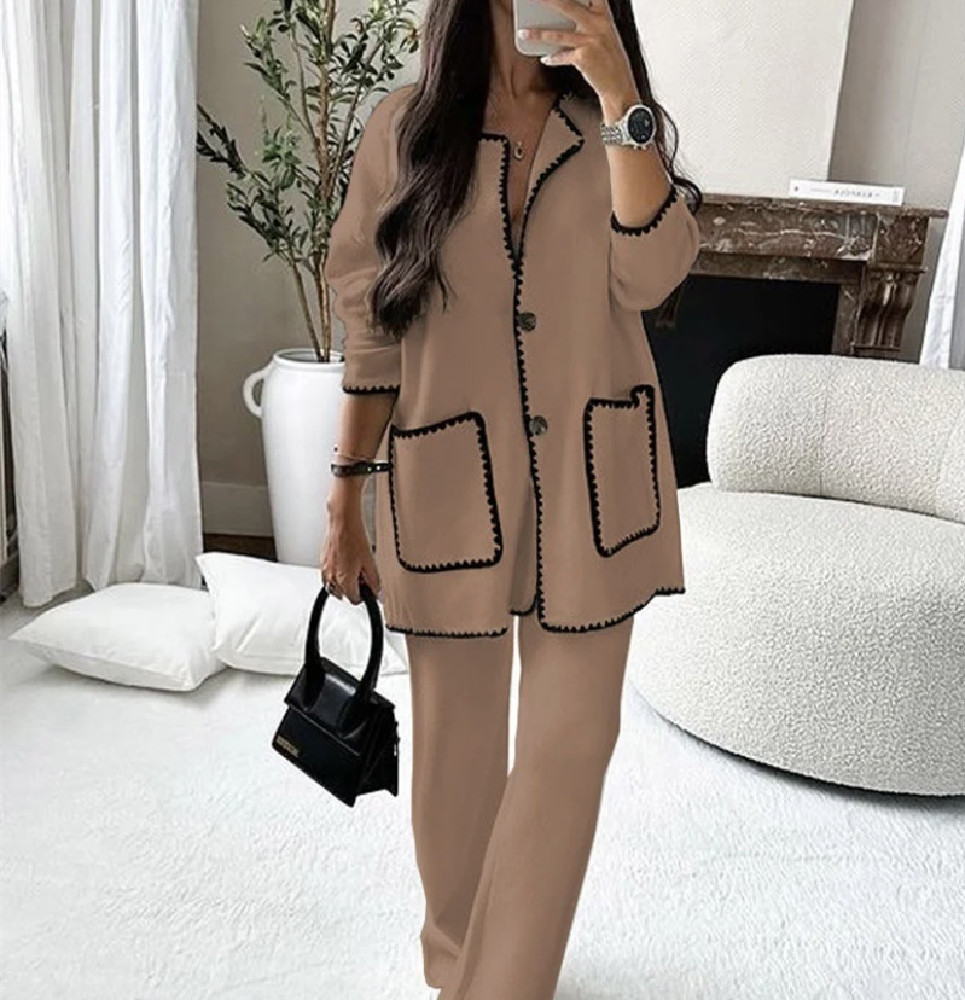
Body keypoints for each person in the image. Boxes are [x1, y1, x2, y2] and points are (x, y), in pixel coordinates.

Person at [320, 0, 702, 996]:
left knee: (574, 741)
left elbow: (654, 274)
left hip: (592, 485)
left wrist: (621, 96)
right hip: (452, 479)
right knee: (457, 751)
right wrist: (344, 499)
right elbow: (371, 326)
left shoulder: (615, 124)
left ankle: (504, 985)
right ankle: (458, 968)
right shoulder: (405, 128)